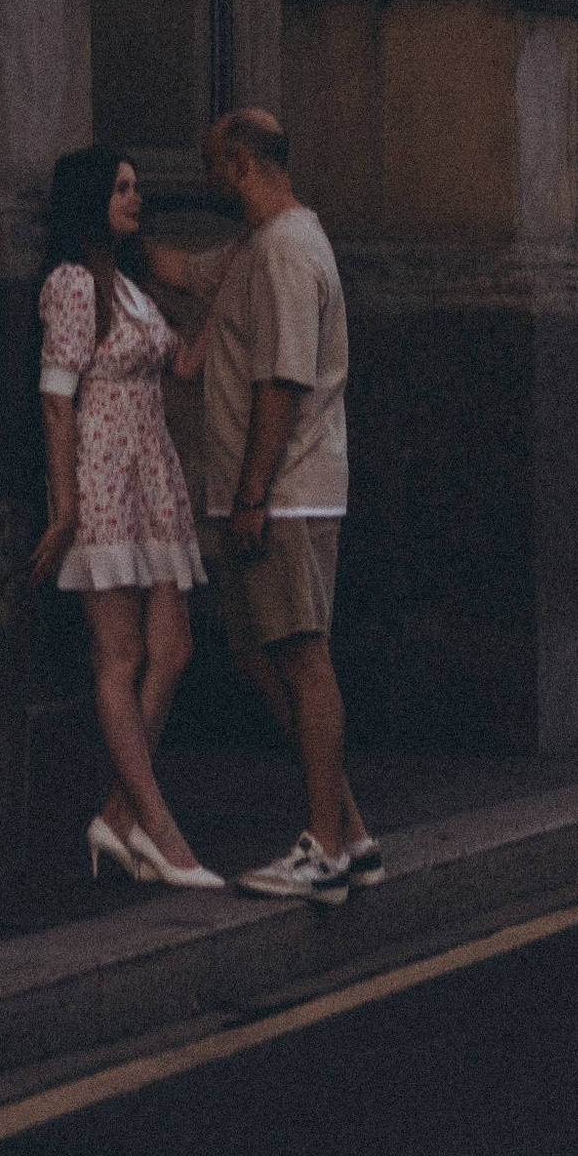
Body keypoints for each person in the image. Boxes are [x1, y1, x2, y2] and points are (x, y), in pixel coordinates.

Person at [149, 109, 379, 906]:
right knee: (258, 656)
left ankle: (323, 848)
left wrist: (251, 495)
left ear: (242, 165)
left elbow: (282, 384)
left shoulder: (285, 250)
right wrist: (104, 232)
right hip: (267, 496)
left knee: (304, 659)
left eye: (210, 162)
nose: (203, 176)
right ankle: (349, 831)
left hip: (284, 495)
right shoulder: (254, 247)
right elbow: (183, 274)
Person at [32, 145, 222, 892]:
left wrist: (225, 295)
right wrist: (66, 508)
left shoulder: (131, 286)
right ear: (89, 199)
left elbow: (183, 366)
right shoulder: (75, 284)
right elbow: (55, 398)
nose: (135, 197)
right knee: (119, 659)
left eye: (138, 186)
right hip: (106, 477)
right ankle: (162, 831)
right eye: (121, 188)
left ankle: (117, 817)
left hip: (154, 475)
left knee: (171, 649)